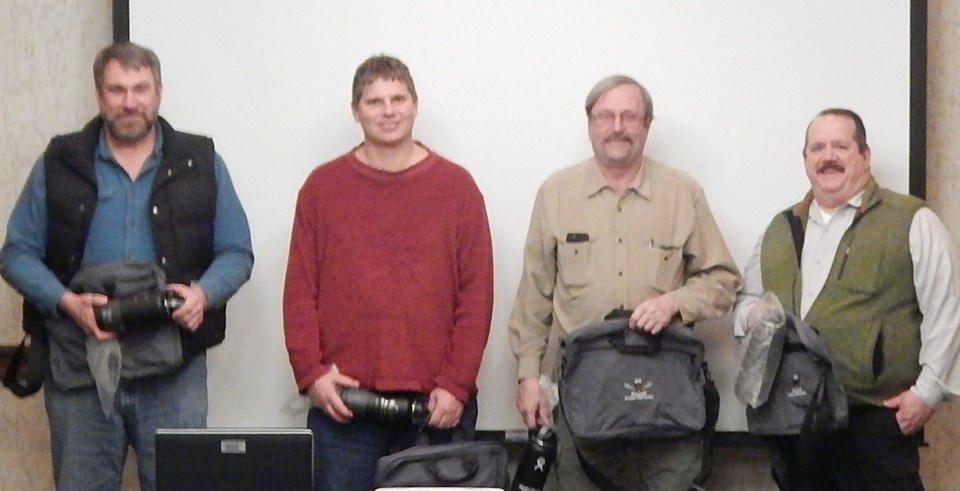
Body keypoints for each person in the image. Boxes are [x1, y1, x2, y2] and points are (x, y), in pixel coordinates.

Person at [0, 41, 254, 490]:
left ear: (158, 91)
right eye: (117, 90)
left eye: (141, 88)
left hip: (174, 372)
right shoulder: (59, 162)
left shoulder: (201, 161)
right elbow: (16, 253)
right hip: (78, 367)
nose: (130, 102)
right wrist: (66, 303)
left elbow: (236, 251)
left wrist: (204, 294)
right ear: (99, 95)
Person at [508, 75, 740, 490]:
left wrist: (675, 302)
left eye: (630, 116)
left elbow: (723, 280)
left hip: (666, 395)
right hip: (585, 397)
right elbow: (534, 295)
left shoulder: (682, 192)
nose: (618, 126)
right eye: (606, 116)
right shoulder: (556, 193)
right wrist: (529, 377)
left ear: (647, 125)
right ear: (590, 124)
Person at [282, 54, 494, 491]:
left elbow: (476, 296)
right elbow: (300, 292)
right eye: (375, 101)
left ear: (415, 105)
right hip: (346, 412)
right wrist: (311, 374)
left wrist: (456, 385)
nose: (389, 110)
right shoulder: (322, 188)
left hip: (436, 410)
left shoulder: (458, 188)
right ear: (356, 111)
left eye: (398, 98)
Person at [734, 108, 960, 490]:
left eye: (841, 146)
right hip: (795, 419)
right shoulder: (779, 228)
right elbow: (743, 305)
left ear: (865, 156)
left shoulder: (911, 219)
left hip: (874, 421)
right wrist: (751, 315)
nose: (828, 156)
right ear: (805, 159)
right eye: (817, 148)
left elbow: (946, 312)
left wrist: (927, 395)